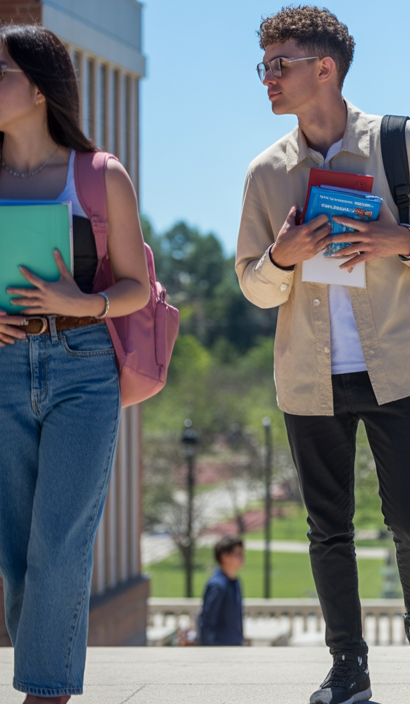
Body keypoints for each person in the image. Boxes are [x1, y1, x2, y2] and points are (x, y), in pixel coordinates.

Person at [233, 7, 410, 702]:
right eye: (264, 65)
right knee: (327, 531)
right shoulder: (265, 173)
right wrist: (282, 257)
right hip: (308, 379)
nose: (268, 78)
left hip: (396, 365)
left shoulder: (400, 143)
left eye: (280, 64)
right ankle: (348, 665)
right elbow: (251, 285)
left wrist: (401, 240)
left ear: (325, 68)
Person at [0, 24, 151, 704]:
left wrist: (80, 303)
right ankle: (43, 681)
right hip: (4, 366)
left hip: (83, 368)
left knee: (59, 541)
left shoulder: (99, 175)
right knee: (15, 551)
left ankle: (45, 694)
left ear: (38, 88)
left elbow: (137, 287)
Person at [199, 537, 246, 647]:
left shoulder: (235, 582)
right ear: (225, 557)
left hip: (234, 646)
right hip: (220, 650)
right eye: (238, 554)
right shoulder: (217, 585)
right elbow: (207, 623)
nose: (242, 558)